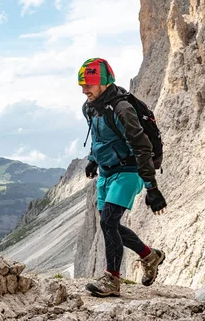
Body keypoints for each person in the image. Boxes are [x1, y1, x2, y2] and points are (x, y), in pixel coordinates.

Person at [78, 57, 168, 297]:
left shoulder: (123, 109)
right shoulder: (90, 107)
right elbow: (100, 137)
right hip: (107, 172)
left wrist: (151, 187)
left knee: (108, 222)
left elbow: (142, 148)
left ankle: (112, 280)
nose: (84, 90)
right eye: (82, 85)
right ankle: (150, 256)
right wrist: (93, 160)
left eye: (89, 84)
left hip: (129, 171)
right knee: (111, 224)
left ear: (104, 83)